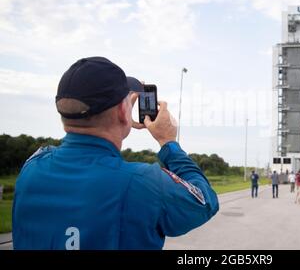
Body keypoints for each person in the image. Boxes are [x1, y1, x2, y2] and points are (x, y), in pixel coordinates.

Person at [12, 57, 219, 250]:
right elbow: (205, 201)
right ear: (122, 110)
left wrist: (118, 124)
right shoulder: (144, 182)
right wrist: (168, 142)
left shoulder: (33, 166)